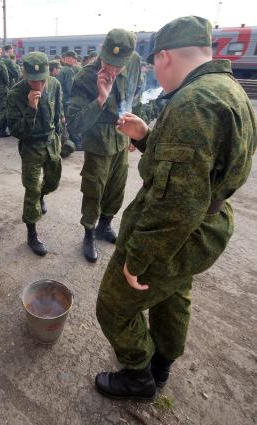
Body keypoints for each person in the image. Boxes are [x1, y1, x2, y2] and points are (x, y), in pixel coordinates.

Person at [94, 16, 256, 402]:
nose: (153, 72)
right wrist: (148, 135)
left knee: (113, 307)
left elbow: (176, 205)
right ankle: (161, 364)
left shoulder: (194, 104)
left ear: (165, 57)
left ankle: (138, 376)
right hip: (206, 227)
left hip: (176, 234)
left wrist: (138, 259)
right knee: (172, 295)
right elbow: (204, 170)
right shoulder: (229, 91)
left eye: (152, 65)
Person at [67, 29, 139, 263]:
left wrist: (133, 132)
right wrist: (100, 99)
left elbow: (134, 97)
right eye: (109, 63)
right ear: (102, 51)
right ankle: (89, 232)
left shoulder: (134, 64)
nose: (113, 70)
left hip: (122, 137)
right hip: (98, 142)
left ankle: (104, 225)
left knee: (117, 187)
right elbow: (75, 124)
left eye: (119, 66)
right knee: (94, 189)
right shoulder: (85, 77)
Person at [7, 52, 62, 256]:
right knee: (31, 189)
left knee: (53, 182)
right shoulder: (15, 94)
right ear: (24, 74)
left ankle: (42, 196)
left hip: (51, 142)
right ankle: (32, 234)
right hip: (31, 147)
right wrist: (31, 107)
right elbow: (16, 131)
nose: (38, 85)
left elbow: (58, 111)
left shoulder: (55, 84)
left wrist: (60, 135)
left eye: (41, 80)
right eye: (32, 81)